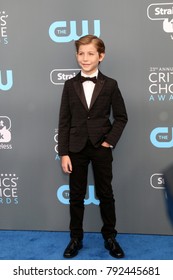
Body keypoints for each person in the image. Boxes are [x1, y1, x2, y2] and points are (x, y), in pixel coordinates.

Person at [58, 34, 128, 258]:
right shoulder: (70, 85)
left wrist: (109, 141)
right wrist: (64, 153)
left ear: (101, 56)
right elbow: (64, 120)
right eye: (81, 53)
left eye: (90, 54)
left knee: (105, 193)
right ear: (76, 56)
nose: (85, 58)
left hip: (101, 146)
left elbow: (121, 117)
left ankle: (110, 237)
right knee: (76, 195)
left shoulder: (111, 84)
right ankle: (75, 238)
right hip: (76, 148)